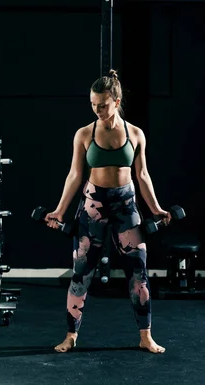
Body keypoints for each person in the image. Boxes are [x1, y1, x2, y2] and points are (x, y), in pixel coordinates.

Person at [45, 69, 171, 354]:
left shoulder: (135, 134)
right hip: (93, 207)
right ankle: (70, 336)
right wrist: (60, 211)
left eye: (102, 104)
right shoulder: (84, 134)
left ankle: (146, 336)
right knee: (81, 273)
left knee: (138, 272)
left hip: (126, 206)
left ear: (116, 100)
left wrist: (157, 209)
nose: (97, 109)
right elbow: (75, 175)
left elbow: (143, 176)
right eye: (93, 104)